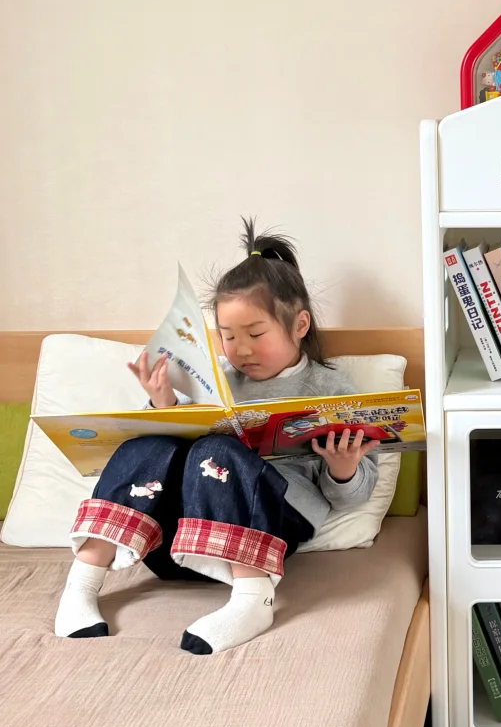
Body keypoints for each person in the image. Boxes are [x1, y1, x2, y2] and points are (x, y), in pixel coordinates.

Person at [53, 221, 380, 655]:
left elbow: (352, 497)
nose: (240, 349)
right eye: (228, 336)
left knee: (217, 450)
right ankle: (82, 583)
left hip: (266, 535)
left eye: (255, 334)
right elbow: (167, 455)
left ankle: (253, 600)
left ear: (300, 324)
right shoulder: (213, 379)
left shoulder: (330, 389)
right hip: (173, 543)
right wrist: (164, 406)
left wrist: (343, 471)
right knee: (148, 444)